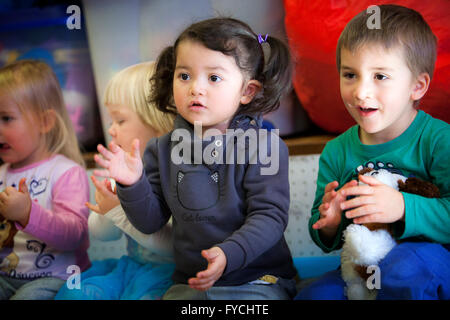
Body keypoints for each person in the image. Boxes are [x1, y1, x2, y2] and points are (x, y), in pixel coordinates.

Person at [93, 18, 298, 300]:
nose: (195, 88)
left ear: (247, 91)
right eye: (184, 75)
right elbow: (150, 222)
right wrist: (132, 184)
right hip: (191, 283)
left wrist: (229, 253)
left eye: (213, 78)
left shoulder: (265, 146)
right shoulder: (160, 150)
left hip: (257, 279)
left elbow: (270, 217)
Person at [295, 4, 450, 300]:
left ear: (417, 86)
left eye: (380, 76)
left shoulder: (439, 141)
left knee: (407, 272)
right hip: (361, 268)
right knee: (313, 296)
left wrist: (402, 207)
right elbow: (324, 238)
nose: (361, 92)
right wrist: (328, 222)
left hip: (430, 261)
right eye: (350, 74)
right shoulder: (336, 151)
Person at [55, 62, 175, 300]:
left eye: (120, 121)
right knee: (76, 293)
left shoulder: (177, 178)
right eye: (111, 121)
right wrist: (105, 211)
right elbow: (104, 235)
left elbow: (174, 248)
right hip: (131, 267)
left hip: (170, 275)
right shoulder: (120, 172)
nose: (111, 130)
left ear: (159, 124)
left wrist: (118, 211)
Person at [0, 59, 90, 299]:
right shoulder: (1, 172)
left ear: (45, 122)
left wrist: (28, 213)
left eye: (6, 118)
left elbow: (74, 236)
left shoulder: (66, 172)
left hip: (56, 276)